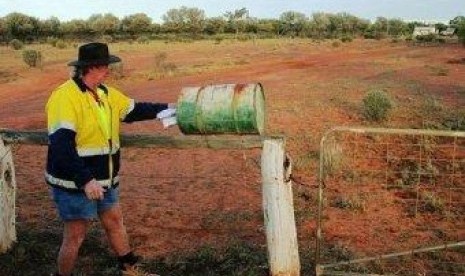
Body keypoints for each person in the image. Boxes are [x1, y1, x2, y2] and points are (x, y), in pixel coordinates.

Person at [45, 42, 173, 276]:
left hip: (105, 178)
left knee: (114, 221)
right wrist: (85, 180)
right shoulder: (65, 97)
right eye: (105, 66)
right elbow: (62, 146)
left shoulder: (105, 92)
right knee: (75, 234)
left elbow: (134, 109)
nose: (109, 70)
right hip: (76, 182)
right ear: (91, 67)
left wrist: (169, 108)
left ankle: (130, 270)